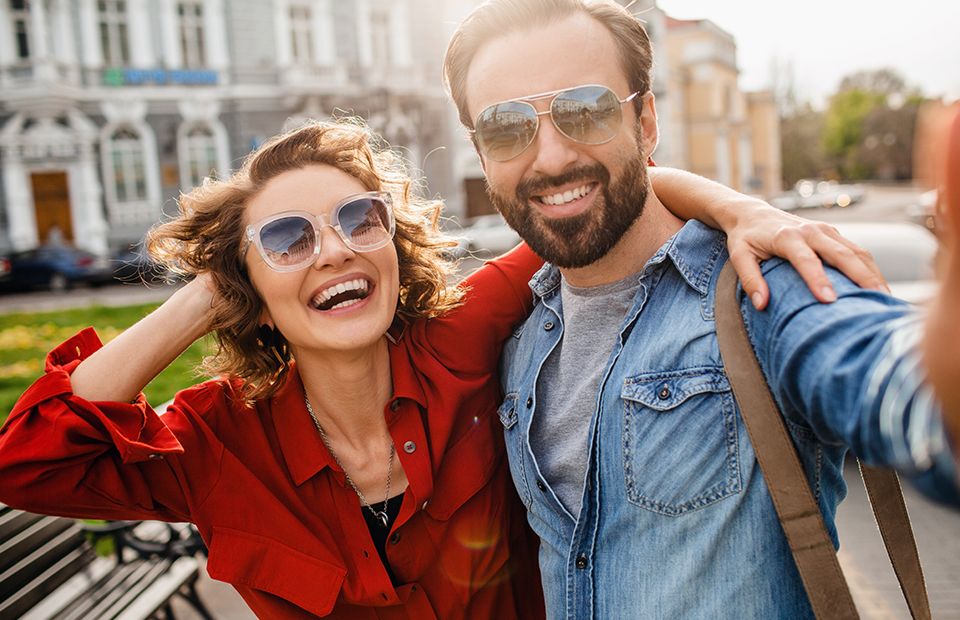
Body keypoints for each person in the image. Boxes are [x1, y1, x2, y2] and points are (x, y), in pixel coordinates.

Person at [0, 118, 885, 617]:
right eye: (288, 236)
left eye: (360, 219)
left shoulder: (460, 338)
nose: (336, 251)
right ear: (244, 280)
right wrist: (207, 293)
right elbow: (27, 462)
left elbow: (626, 194)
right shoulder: (212, 439)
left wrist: (747, 214)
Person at [442, 0, 960, 618]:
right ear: (480, 155)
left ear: (647, 122)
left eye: (587, 110)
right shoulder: (520, 341)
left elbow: (896, 389)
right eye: (506, 127)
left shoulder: (760, 293)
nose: (550, 159)